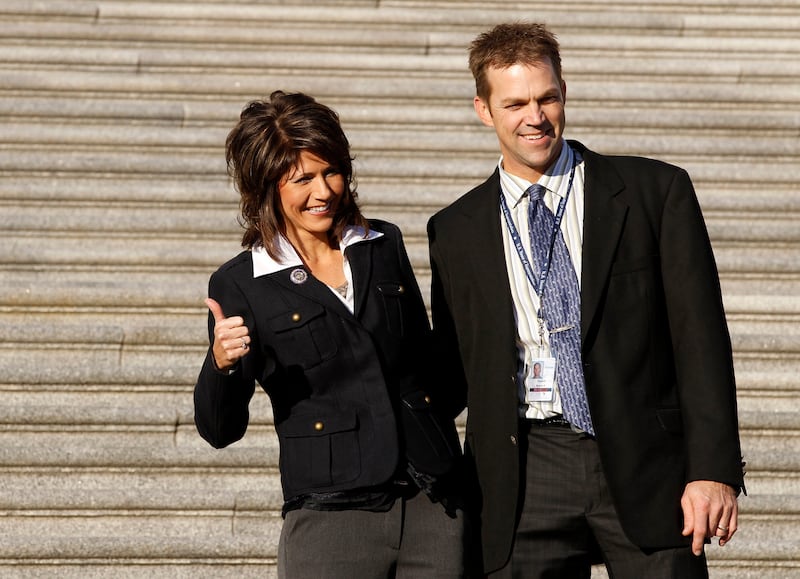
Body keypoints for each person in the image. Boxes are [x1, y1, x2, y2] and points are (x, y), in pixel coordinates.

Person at [427, 22, 746, 579]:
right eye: (516, 103)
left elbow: (700, 340)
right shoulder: (454, 229)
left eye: (547, 97)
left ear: (564, 93)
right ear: (484, 110)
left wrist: (712, 470)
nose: (535, 116)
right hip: (525, 470)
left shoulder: (654, 192)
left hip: (646, 462)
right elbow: (453, 368)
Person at [194, 90, 470, 579]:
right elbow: (220, 429)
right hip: (329, 514)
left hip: (433, 503)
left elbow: (429, 366)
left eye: (332, 171)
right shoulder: (239, 284)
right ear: (266, 186)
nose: (323, 191)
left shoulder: (382, 244)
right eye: (303, 179)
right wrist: (221, 362)